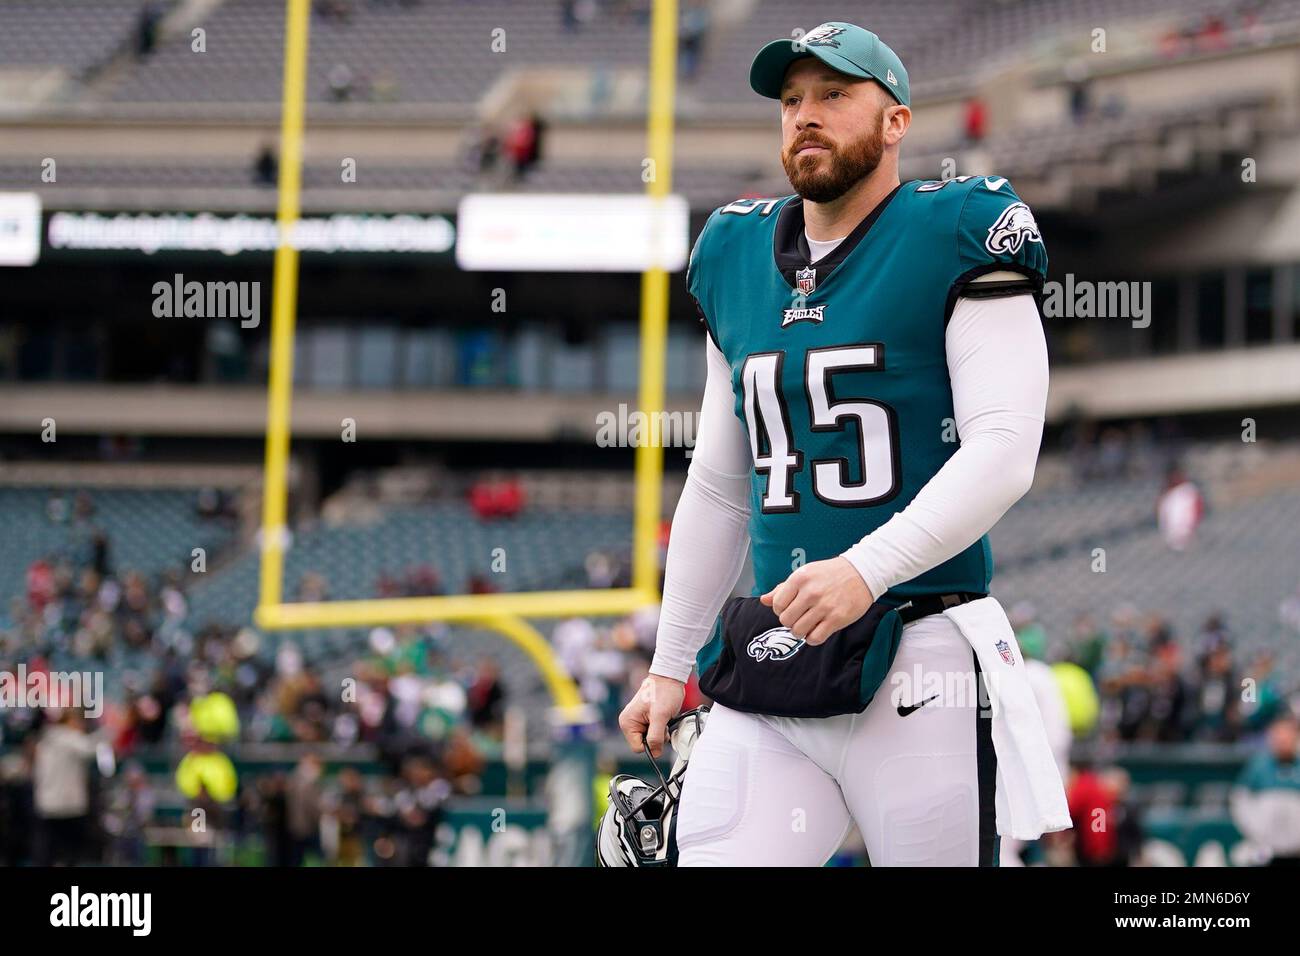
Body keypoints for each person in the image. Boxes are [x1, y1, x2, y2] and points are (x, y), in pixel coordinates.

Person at [619, 21, 1065, 866]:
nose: (805, 116)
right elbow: (719, 484)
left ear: (896, 121)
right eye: (791, 101)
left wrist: (867, 569)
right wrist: (668, 666)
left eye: (833, 95)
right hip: (773, 659)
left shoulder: (960, 228)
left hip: (920, 655)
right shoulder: (735, 249)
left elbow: (1004, 446)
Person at [1230, 712, 1300, 864]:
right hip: (1265, 850)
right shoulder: (1258, 766)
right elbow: (1239, 802)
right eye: (1278, 734)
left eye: (1287, 733)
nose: (1283, 739)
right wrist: (1256, 832)